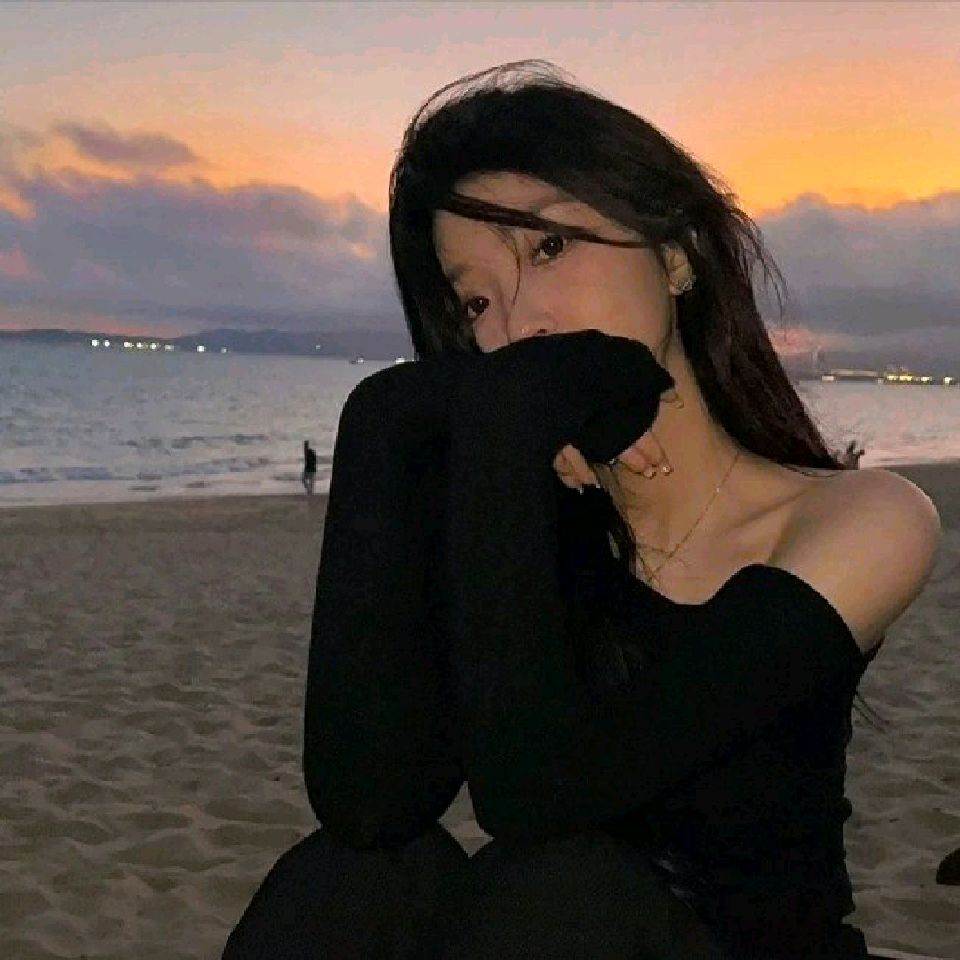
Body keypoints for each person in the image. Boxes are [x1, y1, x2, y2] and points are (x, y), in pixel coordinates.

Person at [222, 61, 941, 959]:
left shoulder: (860, 520)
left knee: (564, 887)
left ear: (674, 253)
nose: (518, 323)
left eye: (550, 248)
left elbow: (535, 798)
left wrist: (502, 420)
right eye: (475, 301)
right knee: (355, 877)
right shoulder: (520, 523)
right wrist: (383, 423)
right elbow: (369, 805)